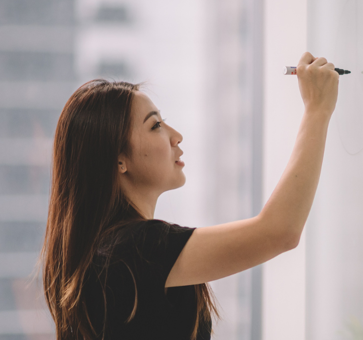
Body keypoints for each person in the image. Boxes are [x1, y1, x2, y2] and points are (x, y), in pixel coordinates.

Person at [36, 52, 339, 340]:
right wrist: (317, 110)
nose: (175, 135)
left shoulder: (107, 252)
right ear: (118, 160)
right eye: (155, 125)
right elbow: (279, 231)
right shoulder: (135, 249)